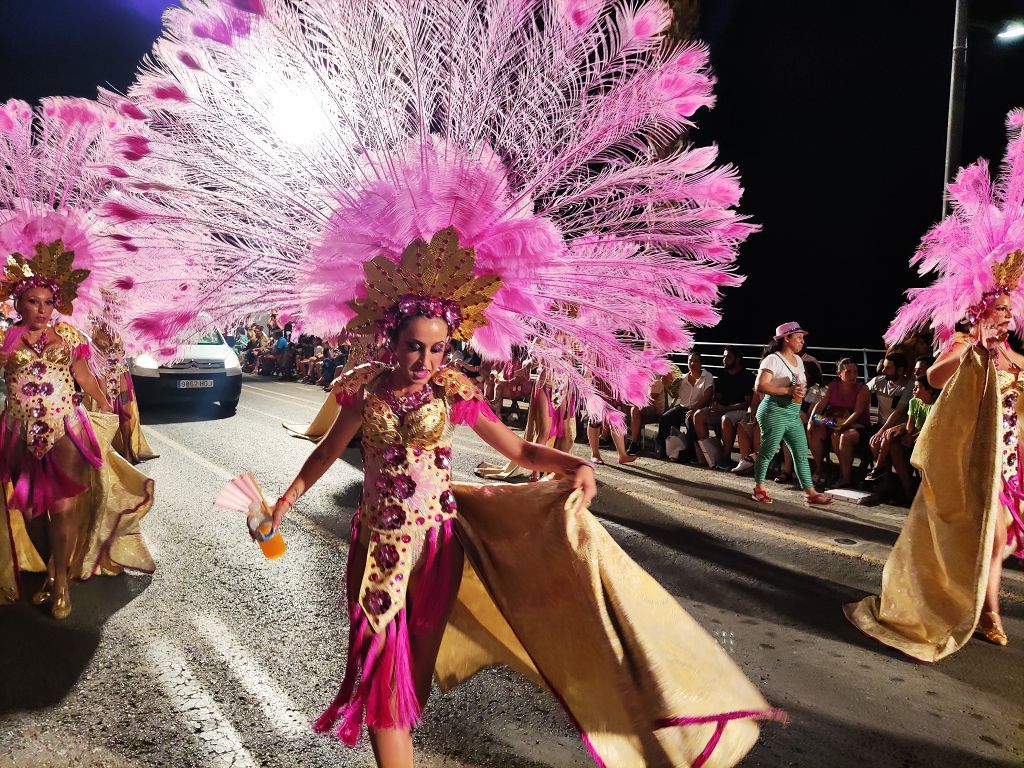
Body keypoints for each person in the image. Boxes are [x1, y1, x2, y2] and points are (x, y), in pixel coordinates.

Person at [847, 116, 1024, 660]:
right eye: (995, 311)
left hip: (1011, 460)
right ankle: (987, 611)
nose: (1002, 319)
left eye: (1007, 313)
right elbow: (931, 378)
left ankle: (980, 604)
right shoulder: (964, 347)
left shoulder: (1015, 357)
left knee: (997, 543)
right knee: (983, 539)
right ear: (981, 309)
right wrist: (972, 347)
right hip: (969, 459)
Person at [0, 97, 156, 619]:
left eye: (48, 302)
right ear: (16, 303)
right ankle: (47, 568)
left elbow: (87, 376)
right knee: (32, 506)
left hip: (65, 426)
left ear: (59, 303)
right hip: (20, 430)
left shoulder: (71, 338)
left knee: (64, 504)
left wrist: (113, 401)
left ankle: (62, 580)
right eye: (31, 303)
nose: (41, 310)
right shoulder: (7, 342)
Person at [751, 323, 833, 505]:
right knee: (768, 451)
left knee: (801, 453)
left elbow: (800, 389)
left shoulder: (799, 360)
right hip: (774, 410)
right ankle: (759, 489)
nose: (802, 341)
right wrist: (789, 391)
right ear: (786, 339)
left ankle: (811, 493)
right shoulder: (773, 359)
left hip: (793, 413)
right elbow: (760, 386)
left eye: (803, 338)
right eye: (799, 337)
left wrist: (812, 394)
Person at [807, 358, 870, 488]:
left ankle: (844, 475)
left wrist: (844, 425)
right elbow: (819, 406)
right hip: (834, 422)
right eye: (848, 372)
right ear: (839, 374)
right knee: (814, 430)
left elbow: (857, 413)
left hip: (856, 425)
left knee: (837, 436)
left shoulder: (862, 389)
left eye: (855, 371)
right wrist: (811, 420)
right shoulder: (832, 386)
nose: (853, 375)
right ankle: (819, 469)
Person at [693, 347, 754, 469]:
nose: (724, 360)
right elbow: (718, 397)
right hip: (723, 409)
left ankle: (726, 458)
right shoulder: (722, 376)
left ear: (737, 359)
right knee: (698, 415)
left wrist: (724, 409)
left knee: (726, 419)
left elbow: (748, 403)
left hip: (741, 411)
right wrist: (714, 404)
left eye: (728, 357)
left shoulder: (747, 376)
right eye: (723, 357)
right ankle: (711, 454)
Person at [886, 375, 939, 502]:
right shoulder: (913, 402)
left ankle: (926, 495)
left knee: (919, 448)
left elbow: (930, 427)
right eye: (914, 387)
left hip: (929, 437)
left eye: (917, 387)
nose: (914, 390)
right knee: (895, 446)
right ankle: (907, 489)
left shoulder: (935, 405)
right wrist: (908, 435)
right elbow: (911, 423)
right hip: (916, 434)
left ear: (929, 390)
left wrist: (914, 437)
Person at [654, 351, 713, 460]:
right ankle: (661, 447)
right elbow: (674, 394)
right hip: (683, 407)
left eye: (695, 361)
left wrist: (695, 409)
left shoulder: (707, 376)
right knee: (665, 418)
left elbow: (707, 396)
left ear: (701, 364)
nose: (692, 363)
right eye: (690, 361)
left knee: (689, 421)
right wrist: (666, 384)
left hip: (698, 408)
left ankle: (691, 452)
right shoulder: (683, 378)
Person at [865, 352, 913, 482]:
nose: (883, 370)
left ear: (900, 370)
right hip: (882, 424)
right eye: (884, 367)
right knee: (874, 443)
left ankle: (882, 473)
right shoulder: (879, 381)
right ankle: (886, 480)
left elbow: (897, 412)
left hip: (900, 427)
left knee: (890, 446)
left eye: (888, 368)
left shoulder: (909, 386)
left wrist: (880, 432)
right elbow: (862, 393)